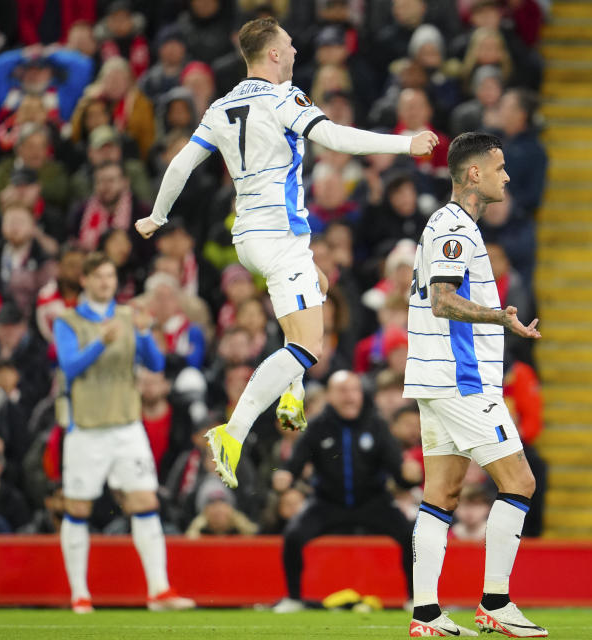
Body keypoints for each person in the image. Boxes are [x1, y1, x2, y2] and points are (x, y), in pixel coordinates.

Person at [133, 16, 437, 490]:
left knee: (319, 285)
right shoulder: (283, 98)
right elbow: (334, 137)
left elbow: (180, 163)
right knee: (308, 345)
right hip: (278, 236)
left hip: (251, 238)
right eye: (290, 45)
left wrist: (156, 216)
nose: (295, 51)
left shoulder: (221, 104)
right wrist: (405, 144)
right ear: (272, 53)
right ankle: (232, 433)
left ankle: (291, 394)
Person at [404, 131, 545, 637]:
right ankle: (496, 603)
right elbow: (442, 300)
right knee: (521, 482)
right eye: (500, 166)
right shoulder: (454, 229)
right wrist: (498, 318)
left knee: (440, 494)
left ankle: (425, 615)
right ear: (473, 173)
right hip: (459, 380)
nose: (507, 175)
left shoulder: (451, 227)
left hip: (434, 376)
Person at [53, 251, 193, 613]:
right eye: (99, 277)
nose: (105, 284)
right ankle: (80, 594)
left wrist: (145, 334)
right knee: (78, 506)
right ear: (84, 280)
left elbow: (156, 364)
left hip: (128, 425)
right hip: (86, 427)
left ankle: (159, 590)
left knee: (145, 501)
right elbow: (69, 367)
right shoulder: (67, 321)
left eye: (110, 277)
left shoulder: (129, 316)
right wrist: (101, 341)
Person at [270, 371, 417, 613]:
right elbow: (293, 466)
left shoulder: (377, 425)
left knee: (411, 536)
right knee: (294, 535)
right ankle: (294, 598)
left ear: (361, 394)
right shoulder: (317, 427)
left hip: (373, 502)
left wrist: (410, 477)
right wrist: (284, 477)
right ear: (330, 396)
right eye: (342, 391)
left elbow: (398, 473)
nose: (349, 397)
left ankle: (415, 599)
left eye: (354, 390)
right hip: (327, 504)